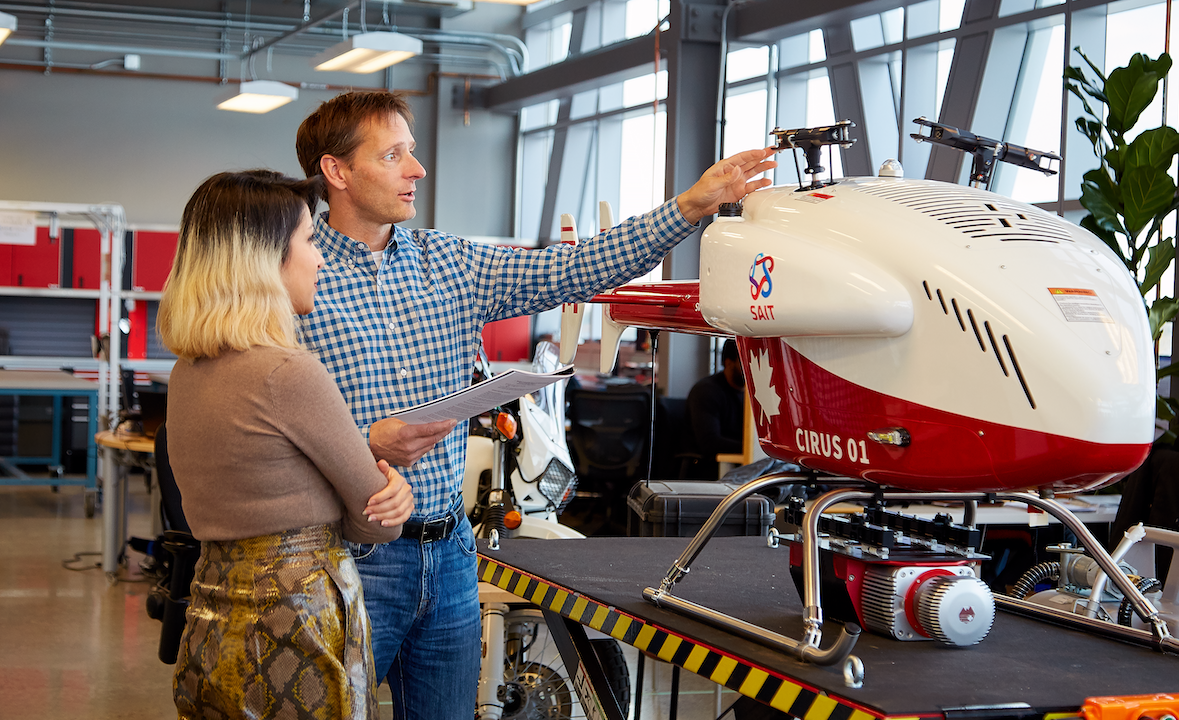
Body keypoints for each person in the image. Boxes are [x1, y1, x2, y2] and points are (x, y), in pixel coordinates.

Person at [294, 89, 777, 719]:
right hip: (345, 556)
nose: (416, 169)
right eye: (393, 155)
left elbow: (577, 268)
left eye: (412, 150)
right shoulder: (292, 277)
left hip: (449, 555)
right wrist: (362, 447)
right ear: (337, 171)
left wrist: (691, 206)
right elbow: (264, 435)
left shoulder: (450, 263)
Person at [157, 169, 415, 720]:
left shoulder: (187, 372)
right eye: (306, 241)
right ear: (266, 259)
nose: (320, 258)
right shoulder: (288, 373)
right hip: (294, 633)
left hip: (211, 622)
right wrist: (394, 490)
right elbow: (380, 521)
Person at [683, 338, 746, 478]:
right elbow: (710, 443)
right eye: (745, 361)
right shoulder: (706, 391)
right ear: (729, 363)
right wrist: (752, 448)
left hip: (739, 466)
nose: (752, 367)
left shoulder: (751, 394)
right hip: (707, 467)